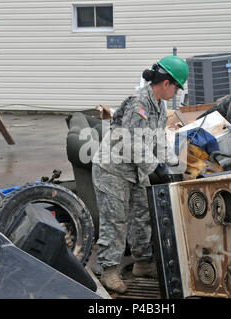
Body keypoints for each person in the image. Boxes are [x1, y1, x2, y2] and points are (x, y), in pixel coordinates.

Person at [92, 56, 189, 293]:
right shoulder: (139, 104)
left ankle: (143, 263)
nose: (176, 92)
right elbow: (131, 142)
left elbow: (159, 139)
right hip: (112, 169)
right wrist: (155, 168)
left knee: (142, 214)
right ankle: (109, 270)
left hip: (135, 170)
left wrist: (174, 166)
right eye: (177, 87)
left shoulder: (159, 105)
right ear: (166, 83)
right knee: (116, 220)